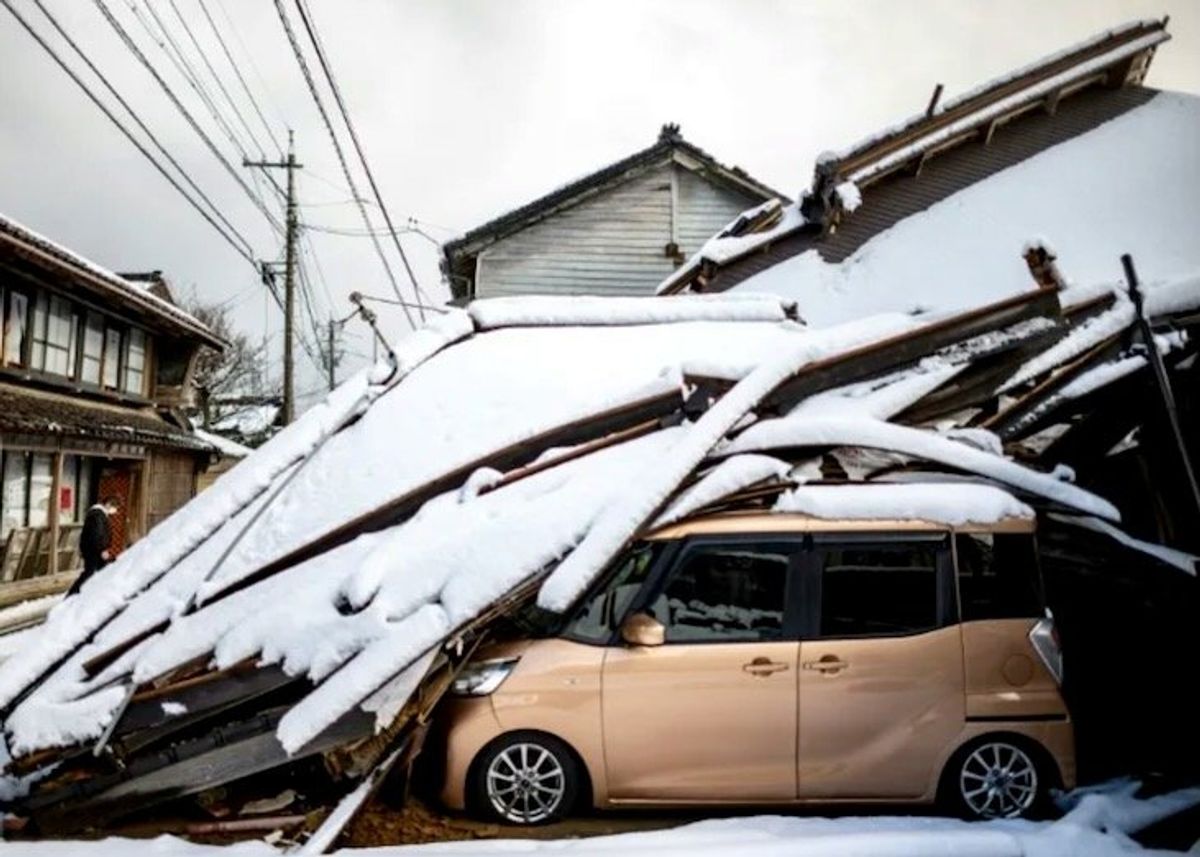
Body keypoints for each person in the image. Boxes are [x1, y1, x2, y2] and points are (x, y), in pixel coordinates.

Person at [72, 497, 119, 594]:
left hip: (94, 549)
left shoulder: (99, 515)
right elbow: (96, 534)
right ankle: (73, 593)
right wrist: (102, 549)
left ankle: (89, 593)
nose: (114, 511)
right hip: (93, 550)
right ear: (108, 504)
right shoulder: (97, 515)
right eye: (114, 508)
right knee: (90, 572)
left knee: (99, 571)